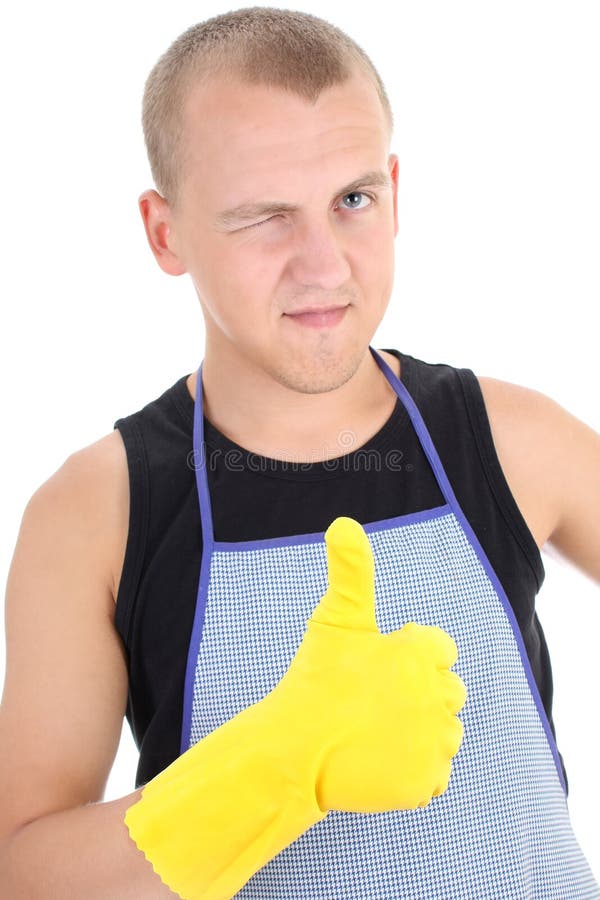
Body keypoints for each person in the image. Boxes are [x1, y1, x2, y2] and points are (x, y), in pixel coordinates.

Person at [0, 7, 598, 898]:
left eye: (353, 200)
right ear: (165, 233)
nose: (324, 265)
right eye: (265, 217)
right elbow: (21, 869)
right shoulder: (96, 513)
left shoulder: (513, 439)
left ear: (395, 189)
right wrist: (276, 763)